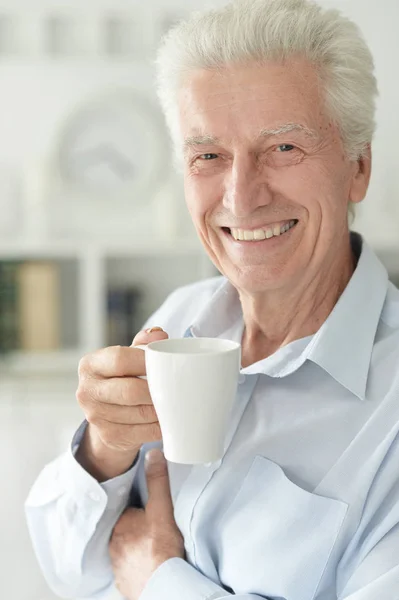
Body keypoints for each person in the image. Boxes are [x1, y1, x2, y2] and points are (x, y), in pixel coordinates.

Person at [25, 0, 399, 599]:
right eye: (209, 156)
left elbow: (123, 574)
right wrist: (106, 449)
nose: (241, 198)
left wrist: (157, 581)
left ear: (358, 167)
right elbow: (68, 568)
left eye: (283, 149)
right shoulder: (180, 318)